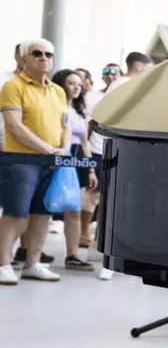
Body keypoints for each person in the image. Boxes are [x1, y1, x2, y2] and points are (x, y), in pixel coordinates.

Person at [0, 39, 69, 285]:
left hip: (51, 161)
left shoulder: (58, 91)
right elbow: (14, 126)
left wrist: (63, 149)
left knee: (43, 214)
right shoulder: (13, 86)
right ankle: (3, 264)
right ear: (23, 59)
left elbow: (65, 124)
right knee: (16, 214)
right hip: (20, 159)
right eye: (36, 53)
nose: (44, 57)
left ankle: (33, 263)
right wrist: (47, 148)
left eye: (48, 53)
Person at [51, 69, 98, 270]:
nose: (77, 87)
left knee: (75, 210)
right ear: (61, 84)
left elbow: (86, 142)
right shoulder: (54, 107)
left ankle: (72, 255)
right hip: (59, 156)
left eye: (79, 84)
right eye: (71, 83)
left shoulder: (80, 112)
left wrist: (91, 170)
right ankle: (25, 250)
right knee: (43, 208)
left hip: (78, 160)